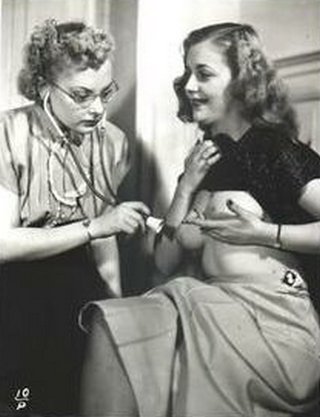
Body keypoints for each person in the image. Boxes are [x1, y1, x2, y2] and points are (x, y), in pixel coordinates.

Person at [80, 23, 320, 417]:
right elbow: (165, 262)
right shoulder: (204, 160)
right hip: (213, 308)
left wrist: (268, 234)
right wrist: (185, 188)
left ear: (243, 81)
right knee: (114, 321)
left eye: (204, 74)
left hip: (275, 325)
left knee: (171, 338)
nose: (189, 85)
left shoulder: (273, 150)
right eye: (187, 72)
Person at [0, 19, 150, 416]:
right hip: (13, 284)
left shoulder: (112, 142)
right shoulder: (8, 132)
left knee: (80, 390)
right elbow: (3, 244)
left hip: (76, 279)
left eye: (105, 93)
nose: (97, 109)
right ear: (43, 85)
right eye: (82, 95)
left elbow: (107, 235)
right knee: (22, 400)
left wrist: (115, 306)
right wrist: (95, 227)